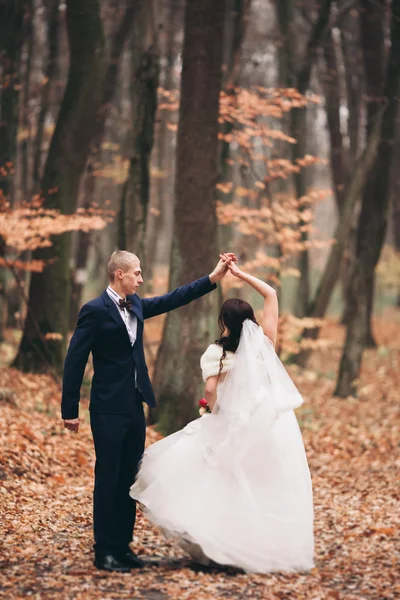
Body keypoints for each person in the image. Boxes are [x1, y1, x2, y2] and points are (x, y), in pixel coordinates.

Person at [130, 256, 314, 573]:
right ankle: (256, 548)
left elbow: (212, 391)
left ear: (223, 322)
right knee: (258, 485)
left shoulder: (217, 352)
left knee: (217, 482)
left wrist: (212, 413)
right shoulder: (265, 345)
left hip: (229, 421)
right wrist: (242, 275)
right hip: (263, 426)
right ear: (251, 320)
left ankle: (221, 548)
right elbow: (271, 293)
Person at [61, 250, 236, 572]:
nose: (141, 279)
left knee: (130, 477)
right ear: (120, 275)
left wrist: (213, 278)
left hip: (134, 405)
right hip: (107, 408)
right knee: (108, 478)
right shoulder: (94, 310)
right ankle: (105, 552)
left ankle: (123, 548)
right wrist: (69, 408)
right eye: (137, 273)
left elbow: (174, 298)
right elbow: (75, 358)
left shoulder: (138, 305)